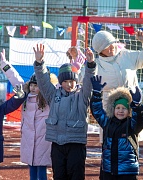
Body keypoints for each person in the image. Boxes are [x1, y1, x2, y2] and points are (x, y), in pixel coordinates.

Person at [33, 43, 96, 180]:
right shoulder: (53, 95)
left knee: (76, 176)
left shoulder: (82, 96)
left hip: (76, 144)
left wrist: (90, 65)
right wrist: (39, 63)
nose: (69, 84)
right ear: (60, 82)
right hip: (58, 145)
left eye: (72, 80)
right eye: (65, 81)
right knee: (59, 176)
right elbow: (43, 81)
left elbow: (89, 82)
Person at [0, 49, 58, 180]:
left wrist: (75, 69)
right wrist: (5, 64)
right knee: (31, 166)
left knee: (41, 167)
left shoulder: (50, 98)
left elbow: (61, 86)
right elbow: (14, 78)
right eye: (32, 85)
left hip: (43, 139)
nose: (33, 88)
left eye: (37, 86)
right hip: (28, 138)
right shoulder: (25, 95)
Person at [90, 29, 143, 143]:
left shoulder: (126, 55)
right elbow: (83, 77)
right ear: (100, 51)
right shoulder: (97, 64)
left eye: (112, 43)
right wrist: (85, 63)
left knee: (131, 139)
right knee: (110, 141)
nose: (112, 47)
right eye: (107, 46)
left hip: (130, 104)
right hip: (110, 108)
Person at [90, 75, 143, 180]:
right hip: (108, 169)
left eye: (124, 108)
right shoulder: (107, 122)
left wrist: (137, 106)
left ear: (129, 110)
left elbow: (139, 121)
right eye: (118, 108)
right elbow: (97, 112)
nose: (120, 111)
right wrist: (96, 94)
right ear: (113, 109)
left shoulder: (131, 125)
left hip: (127, 171)